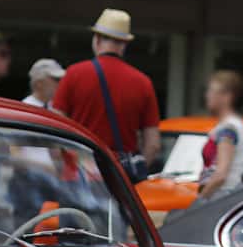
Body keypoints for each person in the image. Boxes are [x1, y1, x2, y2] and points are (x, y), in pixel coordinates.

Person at [52, 9, 161, 173]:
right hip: (120, 180)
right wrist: (132, 174)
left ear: (96, 39)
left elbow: (55, 129)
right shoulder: (143, 82)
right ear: (124, 45)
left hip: (79, 174)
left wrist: (69, 165)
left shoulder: (74, 74)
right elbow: (153, 145)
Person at [196, 70, 243, 199]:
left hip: (220, 197)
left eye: (212, 91)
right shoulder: (230, 125)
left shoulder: (228, 128)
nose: (207, 95)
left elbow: (221, 174)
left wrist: (200, 201)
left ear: (227, 96)